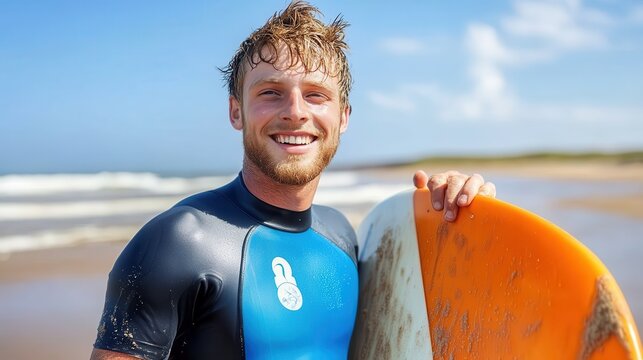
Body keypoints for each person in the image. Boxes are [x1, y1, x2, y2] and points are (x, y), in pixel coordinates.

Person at [90, 2, 496, 359]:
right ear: (236, 113)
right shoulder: (177, 244)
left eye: (316, 95)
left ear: (344, 117)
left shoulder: (342, 237)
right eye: (270, 92)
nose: (296, 112)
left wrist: (457, 210)